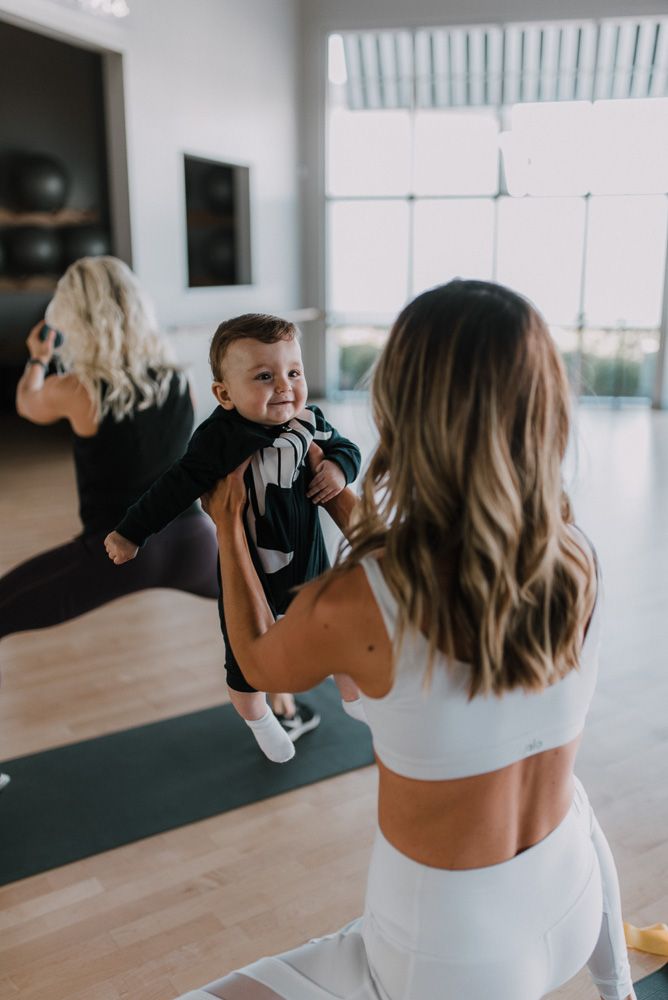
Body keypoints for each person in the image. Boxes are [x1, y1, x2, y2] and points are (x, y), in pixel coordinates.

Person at [176, 280, 636, 1000]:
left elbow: (262, 660)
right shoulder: (574, 553)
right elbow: (415, 581)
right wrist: (341, 499)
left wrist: (228, 528)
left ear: (403, 407)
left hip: (446, 957)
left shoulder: (358, 601)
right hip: (572, 897)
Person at [0, 258, 309, 790]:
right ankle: (288, 709)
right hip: (191, 542)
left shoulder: (78, 388)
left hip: (115, 555)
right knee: (261, 617)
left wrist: (37, 358)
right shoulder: (177, 379)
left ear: (76, 316)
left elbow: (27, 405)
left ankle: (283, 706)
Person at [104, 314, 365, 765]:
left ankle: (358, 704)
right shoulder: (220, 439)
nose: (284, 386)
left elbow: (347, 447)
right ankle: (261, 721)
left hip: (309, 566)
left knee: (338, 635)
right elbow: (174, 486)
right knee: (244, 662)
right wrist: (131, 531)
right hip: (251, 576)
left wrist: (339, 468)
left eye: (293, 372)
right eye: (264, 376)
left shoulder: (308, 421)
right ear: (224, 394)